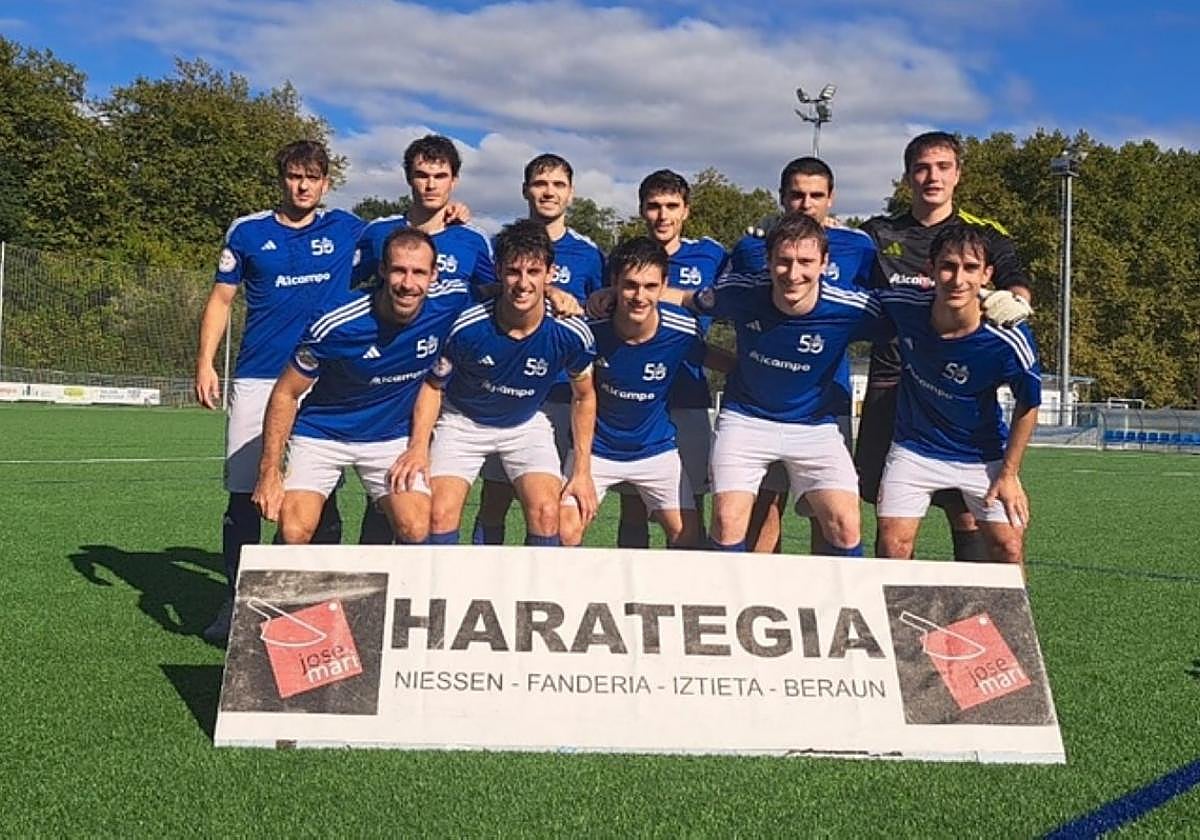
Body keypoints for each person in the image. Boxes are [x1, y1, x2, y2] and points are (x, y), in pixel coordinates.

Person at [593, 213, 887, 553]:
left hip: (814, 425)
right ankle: (726, 601)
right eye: (784, 261)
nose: (793, 274)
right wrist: (615, 293)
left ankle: (845, 604)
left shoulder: (854, 307)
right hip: (746, 419)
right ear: (768, 261)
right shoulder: (741, 291)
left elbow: (913, 322)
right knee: (728, 522)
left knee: (846, 526)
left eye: (805, 262)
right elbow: (690, 299)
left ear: (824, 263)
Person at [195, 139, 362, 643]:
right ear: (282, 179)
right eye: (294, 176)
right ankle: (238, 600)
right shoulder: (248, 231)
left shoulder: (349, 230)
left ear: (326, 183)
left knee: (321, 495)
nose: (303, 185)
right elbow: (222, 299)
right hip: (258, 378)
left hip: (322, 381)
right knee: (245, 495)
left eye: (313, 177)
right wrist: (205, 362)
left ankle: (314, 599)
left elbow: (414, 236)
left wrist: (457, 212)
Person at [857, 131, 1032, 562]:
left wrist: (1016, 303)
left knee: (966, 510)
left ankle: (967, 614)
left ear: (958, 174)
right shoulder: (877, 233)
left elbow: (1016, 285)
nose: (931, 177)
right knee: (888, 509)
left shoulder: (982, 234)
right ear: (907, 176)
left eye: (942, 167)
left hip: (958, 383)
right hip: (889, 379)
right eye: (921, 167)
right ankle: (896, 611)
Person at [251, 227, 468, 548]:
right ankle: (287, 598)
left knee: (416, 525)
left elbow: (509, 291)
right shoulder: (336, 324)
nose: (408, 284)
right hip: (323, 434)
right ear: (382, 269)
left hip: (389, 437)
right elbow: (286, 392)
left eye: (419, 272)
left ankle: (396, 596)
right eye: (398, 271)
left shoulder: (450, 302)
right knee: (295, 530)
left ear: (434, 275)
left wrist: (553, 293)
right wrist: (270, 469)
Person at [404, 219, 597, 546]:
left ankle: (535, 597)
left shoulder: (571, 332)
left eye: (533, 272)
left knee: (547, 513)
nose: (523, 284)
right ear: (497, 271)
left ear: (550, 275)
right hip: (462, 421)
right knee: (438, 514)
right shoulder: (466, 326)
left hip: (524, 424)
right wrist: (418, 448)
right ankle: (446, 595)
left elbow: (585, 397)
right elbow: (433, 386)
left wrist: (582, 471)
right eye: (513, 272)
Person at [352, 134, 495, 543]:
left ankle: (428, 585)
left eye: (440, 175)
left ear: (454, 181)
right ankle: (375, 593)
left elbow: (496, 294)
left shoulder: (472, 238)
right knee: (387, 490)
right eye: (422, 175)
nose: (430, 184)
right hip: (390, 377)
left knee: (434, 492)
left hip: (450, 383)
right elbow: (346, 291)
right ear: (408, 178)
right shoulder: (378, 233)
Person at [730, 157, 875, 554]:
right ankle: (764, 594)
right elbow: (722, 299)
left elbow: (886, 306)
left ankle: (823, 602)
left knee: (825, 510)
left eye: (815, 195)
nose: (805, 204)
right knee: (764, 503)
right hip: (758, 402)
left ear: (832, 199)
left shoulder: (860, 247)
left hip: (825, 400)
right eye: (796, 195)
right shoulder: (749, 248)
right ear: (781, 198)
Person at [875, 225, 1040, 568]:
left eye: (970, 268)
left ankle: (1007, 623)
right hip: (914, 448)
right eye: (948, 266)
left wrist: (1009, 475)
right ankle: (898, 621)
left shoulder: (1009, 335)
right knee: (893, 545)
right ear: (930, 270)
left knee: (1008, 546)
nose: (957, 279)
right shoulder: (902, 306)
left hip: (984, 454)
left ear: (987, 275)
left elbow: (1029, 404)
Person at [561, 236, 733, 548]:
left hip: (654, 450)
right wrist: (581, 470)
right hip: (597, 450)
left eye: (650, 286)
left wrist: (749, 371)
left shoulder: (681, 329)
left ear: (664, 285)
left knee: (689, 538)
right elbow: (583, 397)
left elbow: (707, 355)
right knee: (565, 532)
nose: (639, 296)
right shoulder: (591, 331)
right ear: (614, 283)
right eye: (630, 285)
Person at [470, 154, 605, 545]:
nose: (549, 192)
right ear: (525, 189)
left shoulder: (588, 253)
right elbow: (483, 294)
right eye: (541, 184)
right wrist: (547, 290)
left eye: (558, 185)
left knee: (549, 503)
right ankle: (485, 577)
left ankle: (539, 587)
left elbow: (600, 308)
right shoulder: (499, 244)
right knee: (495, 496)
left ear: (571, 193)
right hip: (505, 388)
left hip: (562, 391)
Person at [612, 170, 728, 549]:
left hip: (688, 393)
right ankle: (630, 591)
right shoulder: (626, 258)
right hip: (634, 400)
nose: (663, 216)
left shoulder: (711, 254)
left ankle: (685, 594)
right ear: (643, 211)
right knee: (633, 504)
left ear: (686, 211)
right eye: (654, 207)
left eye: (671, 207)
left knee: (687, 503)